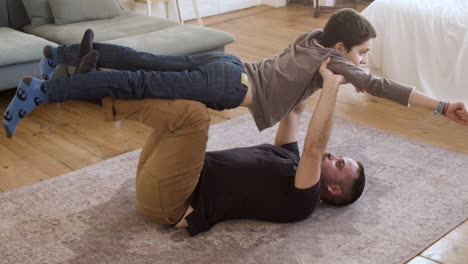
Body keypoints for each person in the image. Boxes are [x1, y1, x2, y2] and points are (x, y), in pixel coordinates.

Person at [3, 8, 468, 138]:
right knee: (137, 82)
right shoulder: (335, 61)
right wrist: (444, 106)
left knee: (150, 62)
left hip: (231, 64)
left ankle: (60, 53)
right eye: (362, 52)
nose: (363, 62)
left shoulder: (315, 37)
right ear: (343, 48)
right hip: (228, 84)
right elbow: (385, 88)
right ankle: (43, 91)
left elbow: (296, 85)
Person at [92, 54, 363, 235]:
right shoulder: (290, 159)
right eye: (339, 156)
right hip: (158, 175)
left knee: (194, 117)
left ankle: (94, 94)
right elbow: (294, 110)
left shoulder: (303, 200)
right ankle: (102, 75)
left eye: (339, 163)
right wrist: (316, 67)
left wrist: (332, 86)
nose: (332, 154)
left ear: (334, 189)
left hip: (171, 203)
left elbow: (315, 147)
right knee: (194, 100)